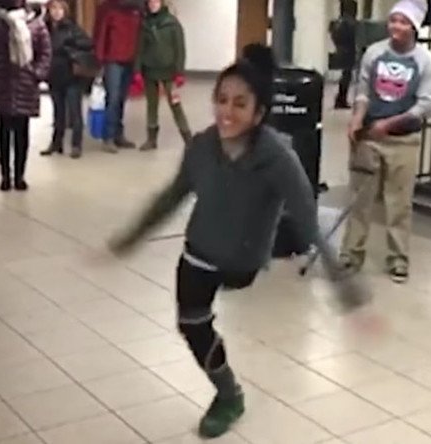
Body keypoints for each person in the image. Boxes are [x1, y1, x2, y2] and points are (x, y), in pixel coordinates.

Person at [105, 44, 366, 439]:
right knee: (192, 325)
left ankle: (228, 390)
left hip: (242, 261)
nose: (226, 112)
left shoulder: (278, 157)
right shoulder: (202, 147)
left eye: (240, 104)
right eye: (221, 100)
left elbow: (309, 223)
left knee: (211, 306)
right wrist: (130, 237)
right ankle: (229, 395)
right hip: (199, 252)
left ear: (259, 113)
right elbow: (170, 197)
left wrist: (343, 288)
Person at [339, 0, 431, 283]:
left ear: (414, 28)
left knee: (398, 204)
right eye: (393, 20)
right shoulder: (375, 53)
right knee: (360, 200)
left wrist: (391, 124)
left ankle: (398, 259)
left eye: (403, 22)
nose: (396, 26)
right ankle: (350, 254)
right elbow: (363, 89)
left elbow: (426, 103)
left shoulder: (425, 61)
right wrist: (358, 117)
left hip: (404, 141)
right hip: (369, 137)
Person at [0, 0, 52, 192]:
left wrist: (37, 72)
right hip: (0, 82)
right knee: (3, 132)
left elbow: (45, 51)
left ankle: (20, 175)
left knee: (22, 132)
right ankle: (5, 176)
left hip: (26, 84)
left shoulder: (34, 20)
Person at [134, 0, 191, 150]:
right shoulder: (145, 24)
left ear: (162, 3)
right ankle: (151, 139)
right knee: (151, 105)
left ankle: (188, 140)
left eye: (156, 1)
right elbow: (139, 49)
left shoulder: (172, 24)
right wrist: (137, 71)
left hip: (169, 71)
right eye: (150, 2)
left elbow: (180, 49)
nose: (153, 4)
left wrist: (180, 72)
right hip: (149, 70)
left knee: (175, 105)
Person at [41, 0, 94, 159]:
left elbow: (87, 45)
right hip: (54, 76)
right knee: (58, 113)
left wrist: (70, 50)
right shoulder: (45, 29)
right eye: (53, 9)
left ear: (65, 11)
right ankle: (56, 143)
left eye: (59, 9)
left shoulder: (72, 28)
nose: (56, 12)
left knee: (74, 112)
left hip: (71, 76)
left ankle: (76, 145)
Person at [93, 0, 142, 152]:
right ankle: (108, 138)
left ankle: (118, 134)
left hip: (129, 59)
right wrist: (100, 60)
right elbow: (100, 35)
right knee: (112, 98)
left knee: (121, 98)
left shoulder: (137, 10)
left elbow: (140, 38)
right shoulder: (108, 9)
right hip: (112, 60)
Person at [329, 0, 358, 109]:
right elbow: (353, 37)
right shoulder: (348, 22)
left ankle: (341, 99)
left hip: (341, 50)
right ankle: (341, 99)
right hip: (348, 50)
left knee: (346, 76)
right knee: (346, 76)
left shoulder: (339, 21)